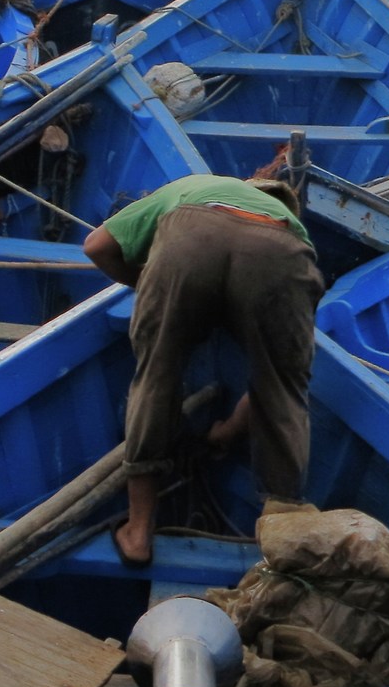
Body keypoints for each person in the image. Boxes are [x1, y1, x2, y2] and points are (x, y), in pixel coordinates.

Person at [83, 174, 325, 567]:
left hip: (193, 233)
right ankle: (279, 543)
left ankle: (138, 531)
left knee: (156, 376)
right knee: (284, 388)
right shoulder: (291, 224)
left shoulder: (194, 185)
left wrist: (149, 284)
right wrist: (227, 431)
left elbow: (96, 246)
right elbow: (276, 386)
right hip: (279, 251)